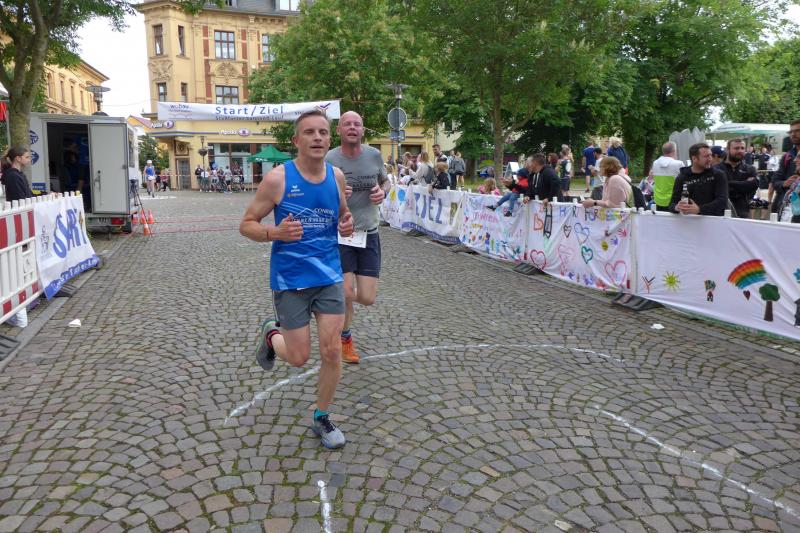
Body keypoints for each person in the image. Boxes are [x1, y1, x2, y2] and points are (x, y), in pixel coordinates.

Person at [240, 108, 354, 449]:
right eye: (309, 132)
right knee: (299, 357)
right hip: (291, 280)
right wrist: (274, 232)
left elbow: (343, 215)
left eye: (323, 132)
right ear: (296, 140)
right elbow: (246, 224)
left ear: (329, 139)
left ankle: (321, 416)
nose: (317, 137)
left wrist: (346, 223)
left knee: (332, 351)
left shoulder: (337, 177)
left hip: (329, 275)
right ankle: (271, 333)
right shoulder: (278, 179)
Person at [325, 111, 389, 364]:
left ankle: (338, 319)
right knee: (346, 293)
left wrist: (383, 192)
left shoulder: (374, 155)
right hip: (341, 234)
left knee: (367, 298)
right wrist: (336, 194)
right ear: (339, 130)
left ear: (362, 130)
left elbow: (386, 182)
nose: (352, 127)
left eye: (357, 124)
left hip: (369, 233)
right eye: (347, 124)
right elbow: (318, 192)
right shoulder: (330, 158)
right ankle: (345, 339)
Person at [1, 146, 34, 328]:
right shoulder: (13, 177)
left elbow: (27, 195)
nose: (29, 159)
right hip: (18, 220)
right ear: (18, 159)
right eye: (27, 157)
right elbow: (21, 198)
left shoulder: (17, 175)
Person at [669, 143, 728, 216]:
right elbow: (672, 204)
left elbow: (722, 202)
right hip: (689, 221)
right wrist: (677, 207)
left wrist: (700, 209)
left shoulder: (718, 175)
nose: (710, 159)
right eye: (706, 156)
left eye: (711, 155)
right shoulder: (682, 177)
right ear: (694, 159)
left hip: (713, 220)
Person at [715, 138, 758, 218]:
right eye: (736, 148)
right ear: (727, 150)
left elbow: (752, 188)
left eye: (742, 148)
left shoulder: (750, 169)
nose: (740, 151)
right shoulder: (716, 169)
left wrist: (728, 183)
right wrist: (743, 185)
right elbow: (719, 190)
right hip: (721, 213)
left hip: (743, 212)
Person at [771, 119, 800, 216]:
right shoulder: (788, 156)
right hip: (785, 211)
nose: (793, 134)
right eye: (791, 132)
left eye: (797, 131)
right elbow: (775, 181)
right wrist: (784, 183)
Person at [649, 141, 685, 211]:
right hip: (673, 202)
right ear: (674, 151)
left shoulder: (655, 163)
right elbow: (686, 181)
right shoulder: (679, 164)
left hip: (658, 200)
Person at [775, 152, 800, 223]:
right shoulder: (796, 179)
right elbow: (774, 181)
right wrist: (784, 184)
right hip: (786, 223)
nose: (795, 160)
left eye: (799, 157)